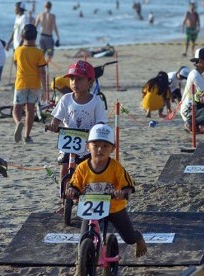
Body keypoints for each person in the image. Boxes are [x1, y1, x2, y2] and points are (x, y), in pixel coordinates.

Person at [66, 123, 147, 258]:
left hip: (114, 206)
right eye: (95, 145)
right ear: (88, 147)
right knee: (84, 239)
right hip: (90, 208)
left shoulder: (115, 167)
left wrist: (123, 192)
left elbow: (127, 185)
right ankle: (81, 265)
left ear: (112, 148)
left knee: (129, 238)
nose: (99, 149)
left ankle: (138, 237)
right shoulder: (82, 167)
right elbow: (74, 184)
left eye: (105, 146)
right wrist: (71, 191)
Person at [48, 60, 107, 199]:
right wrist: (53, 124)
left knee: (89, 171)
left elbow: (100, 122)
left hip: (88, 144)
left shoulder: (96, 101)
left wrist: (97, 132)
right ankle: (64, 201)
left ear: (90, 82)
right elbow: (56, 118)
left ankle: (90, 197)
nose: (75, 82)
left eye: (79, 79)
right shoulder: (66, 99)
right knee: (64, 170)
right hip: (68, 142)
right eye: (72, 79)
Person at [12, 24, 47, 144]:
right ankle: (27, 136)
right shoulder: (39, 52)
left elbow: (17, 66)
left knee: (16, 109)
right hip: (35, 84)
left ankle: (18, 123)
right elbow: (42, 72)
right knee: (30, 110)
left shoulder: (18, 50)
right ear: (36, 37)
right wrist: (45, 89)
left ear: (22, 36)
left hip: (21, 82)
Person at [180, 48, 204, 134]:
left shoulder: (199, 75)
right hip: (189, 110)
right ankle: (191, 123)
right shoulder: (195, 75)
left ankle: (200, 126)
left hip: (197, 106)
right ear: (201, 61)